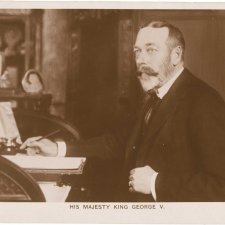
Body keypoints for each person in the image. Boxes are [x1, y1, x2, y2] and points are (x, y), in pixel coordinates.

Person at [20, 21, 225, 202]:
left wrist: (156, 183)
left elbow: (220, 187)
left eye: (151, 50)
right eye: (137, 51)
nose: (141, 60)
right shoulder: (154, 94)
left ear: (176, 55)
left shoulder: (203, 101)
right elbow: (116, 142)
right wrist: (58, 149)